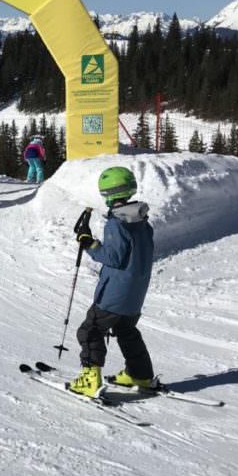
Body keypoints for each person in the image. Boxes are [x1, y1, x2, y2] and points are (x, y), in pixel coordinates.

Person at [67, 166, 156, 397]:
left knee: (90, 330)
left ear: (107, 194)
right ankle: (141, 375)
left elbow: (113, 257)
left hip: (115, 293)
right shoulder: (142, 222)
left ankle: (90, 379)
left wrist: (89, 243)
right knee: (126, 331)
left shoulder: (116, 224)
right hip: (135, 294)